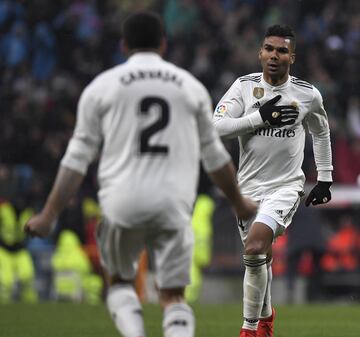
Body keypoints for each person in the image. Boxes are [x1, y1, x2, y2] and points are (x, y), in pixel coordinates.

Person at [25, 11, 257, 337]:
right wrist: (239, 203)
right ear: (163, 45)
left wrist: (49, 214)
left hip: (121, 200)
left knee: (120, 284)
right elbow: (216, 158)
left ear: (123, 46)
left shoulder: (101, 87)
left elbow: (76, 160)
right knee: (173, 296)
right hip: (173, 202)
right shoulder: (190, 88)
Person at [213, 24, 333, 337]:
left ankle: (249, 329)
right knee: (259, 258)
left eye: (282, 51)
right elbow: (216, 127)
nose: (274, 55)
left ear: (292, 57)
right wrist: (258, 119)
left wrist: (324, 177)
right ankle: (266, 320)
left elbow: (321, 131)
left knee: (254, 248)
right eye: (269, 49)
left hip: (286, 187)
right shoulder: (243, 87)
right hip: (247, 189)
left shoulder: (306, 94)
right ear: (260, 52)